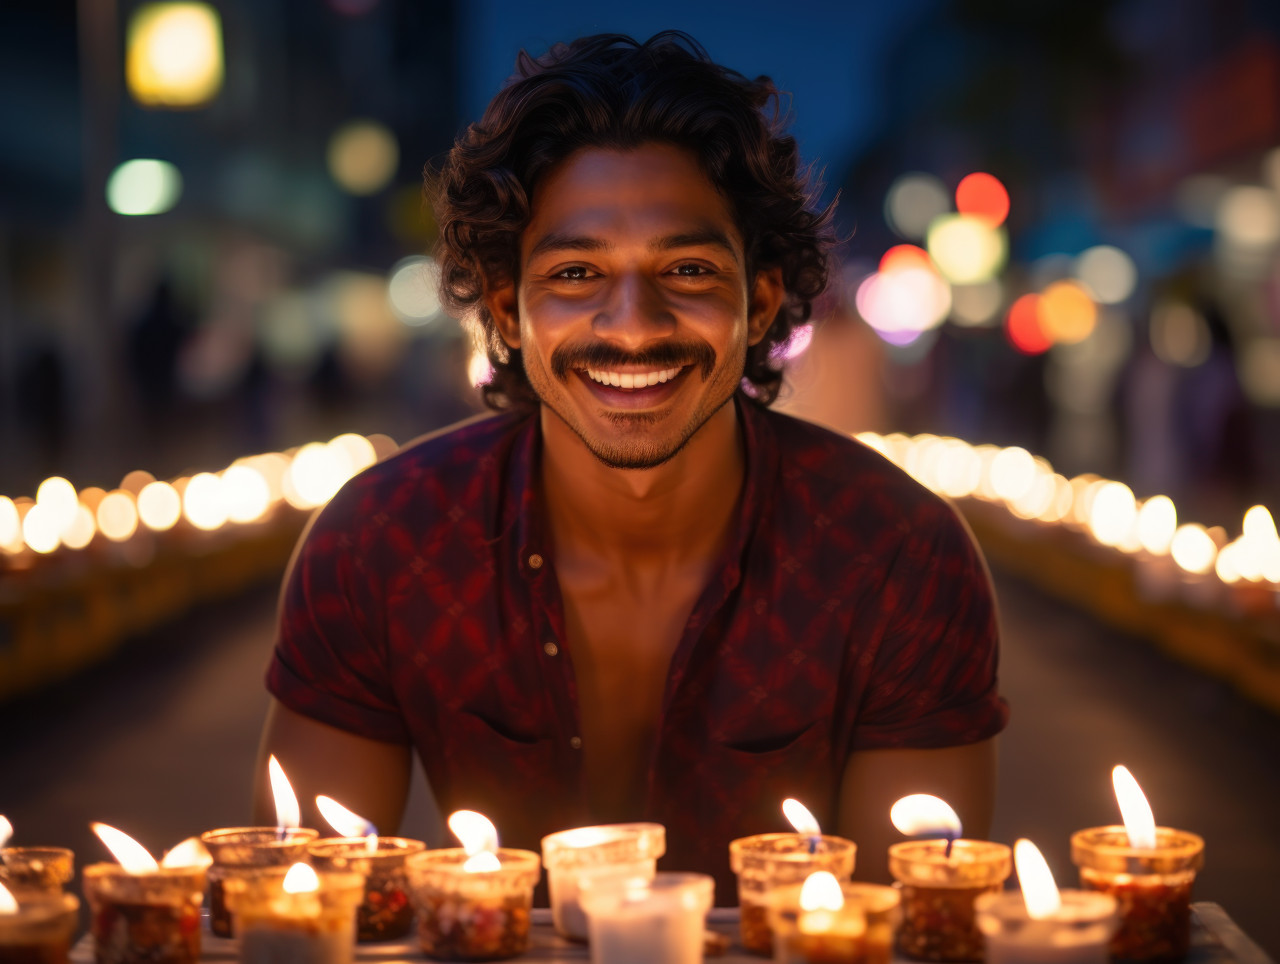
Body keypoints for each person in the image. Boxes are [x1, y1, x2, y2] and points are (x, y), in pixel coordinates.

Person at [254, 32, 1007, 901]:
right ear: (507, 306)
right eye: (576, 273)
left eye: (687, 270)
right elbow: (300, 913)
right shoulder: (382, 541)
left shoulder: (897, 556)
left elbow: (911, 928)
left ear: (760, 301)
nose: (633, 326)